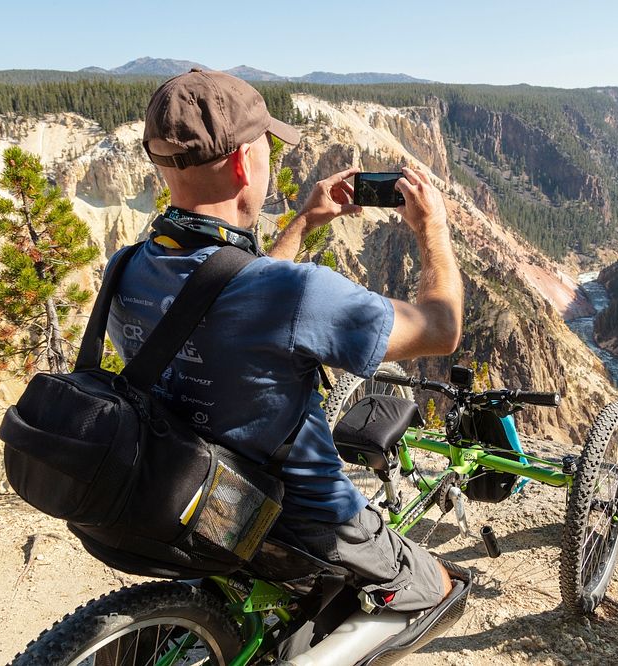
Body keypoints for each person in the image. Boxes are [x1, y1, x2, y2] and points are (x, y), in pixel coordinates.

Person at [106, 69, 463, 613]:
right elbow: (441, 329)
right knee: (444, 590)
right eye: (266, 146)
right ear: (242, 162)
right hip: (303, 522)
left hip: (192, 498)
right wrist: (432, 229)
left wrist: (303, 223)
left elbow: (224, 297)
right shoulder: (297, 293)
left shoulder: (126, 267)